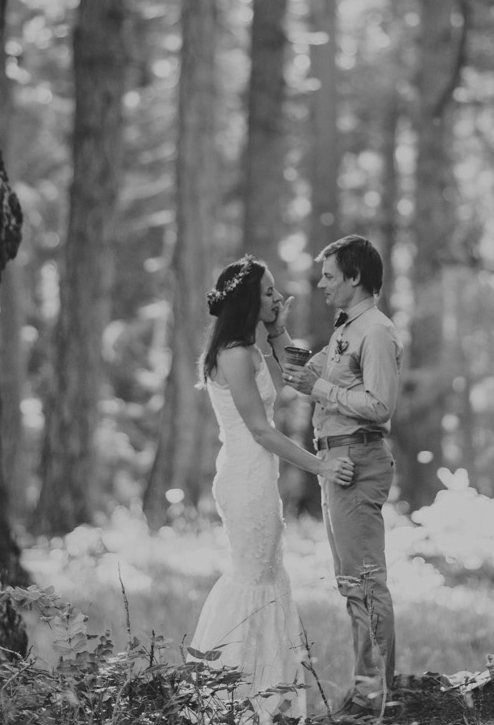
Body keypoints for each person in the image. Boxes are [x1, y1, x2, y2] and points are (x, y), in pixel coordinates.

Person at [190, 254, 356, 724]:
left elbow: (295, 381)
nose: (277, 296)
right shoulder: (235, 356)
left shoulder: (251, 348)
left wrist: (278, 328)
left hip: (258, 476)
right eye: (268, 293)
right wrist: (321, 466)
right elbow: (262, 431)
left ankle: (267, 699)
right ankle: (228, 700)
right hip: (245, 476)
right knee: (252, 581)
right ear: (246, 300)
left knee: (266, 579)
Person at [287, 235, 402, 721]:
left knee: (366, 583)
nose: (322, 283)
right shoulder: (344, 330)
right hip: (335, 464)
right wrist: (275, 329)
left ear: (355, 278)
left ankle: (377, 700)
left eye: (330, 275)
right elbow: (300, 373)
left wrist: (323, 389)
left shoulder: (374, 331)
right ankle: (365, 692)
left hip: (358, 461)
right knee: (350, 584)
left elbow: (380, 405)